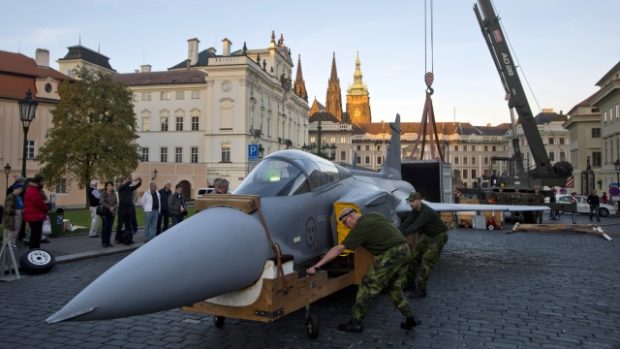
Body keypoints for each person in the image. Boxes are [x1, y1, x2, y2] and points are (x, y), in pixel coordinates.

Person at [306, 208, 418, 333]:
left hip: (392, 254)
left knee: (366, 286)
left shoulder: (360, 227)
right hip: (404, 251)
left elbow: (338, 249)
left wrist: (317, 266)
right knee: (394, 289)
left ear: (350, 217)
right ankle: (410, 317)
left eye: (344, 223)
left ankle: (355, 323)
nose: (346, 226)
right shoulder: (374, 215)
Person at [399, 192, 449, 299]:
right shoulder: (415, 210)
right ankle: (410, 284)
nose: (410, 204)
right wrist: (397, 231)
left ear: (418, 200)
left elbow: (415, 227)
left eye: (412, 201)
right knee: (414, 257)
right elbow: (408, 222)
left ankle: (421, 290)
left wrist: (400, 235)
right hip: (428, 235)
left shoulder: (426, 212)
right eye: (409, 201)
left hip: (439, 236)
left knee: (426, 261)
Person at [23, 175, 48, 250]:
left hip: (32, 215)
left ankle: (33, 250)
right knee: (36, 235)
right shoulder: (34, 190)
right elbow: (38, 202)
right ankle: (35, 250)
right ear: (38, 182)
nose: (43, 183)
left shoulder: (31, 189)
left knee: (34, 234)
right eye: (42, 181)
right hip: (35, 216)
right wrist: (46, 208)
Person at [115, 177, 141, 244]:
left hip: (129, 209)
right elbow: (124, 184)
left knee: (129, 225)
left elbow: (137, 185)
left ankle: (129, 238)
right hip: (122, 209)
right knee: (120, 224)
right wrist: (130, 180)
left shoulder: (129, 188)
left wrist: (140, 180)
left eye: (127, 180)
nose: (127, 181)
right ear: (122, 181)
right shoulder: (120, 188)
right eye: (125, 180)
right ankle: (117, 238)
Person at [2, 184, 23, 248]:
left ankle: (11, 243)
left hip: (14, 216)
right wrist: (16, 211)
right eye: (19, 189)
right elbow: (8, 209)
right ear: (15, 189)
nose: (20, 191)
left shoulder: (16, 196)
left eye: (21, 189)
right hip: (12, 217)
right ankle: (10, 244)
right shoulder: (11, 196)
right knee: (11, 231)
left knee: (14, 230)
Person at [100, 181, 118, 248]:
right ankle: (104, 242)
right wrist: (109, 207)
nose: (110, 187)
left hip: (112, 213)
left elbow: (116, 202)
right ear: (106, 186)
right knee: (105, 228)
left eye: (111, 185)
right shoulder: (103, 193)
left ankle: (108, 242)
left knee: (110, 228)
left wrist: (114, 207)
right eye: (108, 185)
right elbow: (101, 201)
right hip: (105, 212)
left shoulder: (114, 193)